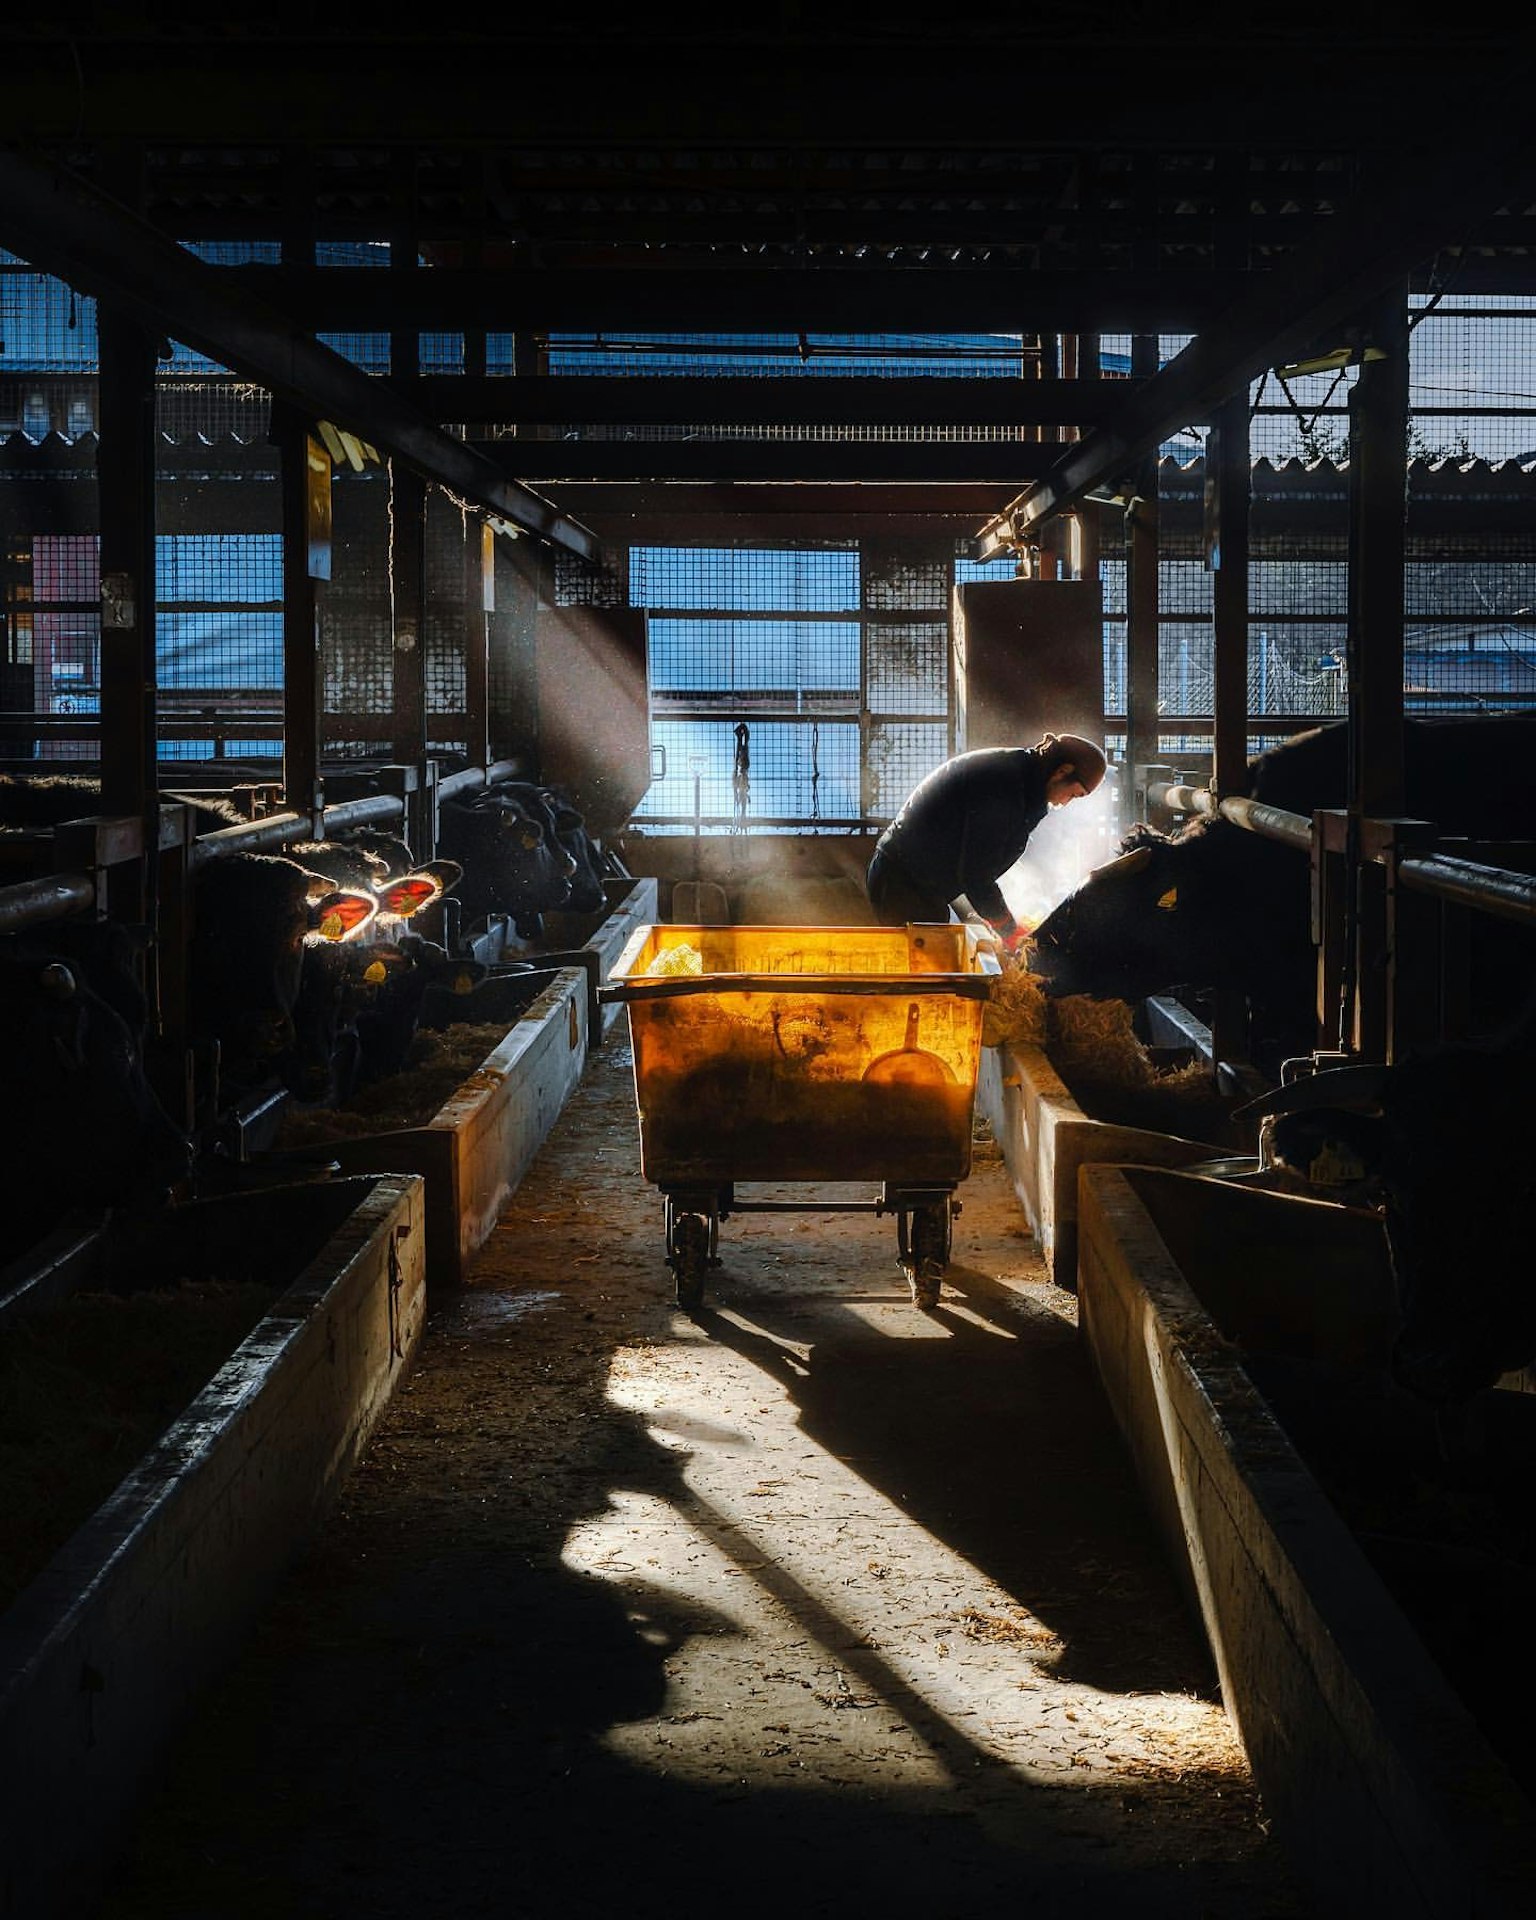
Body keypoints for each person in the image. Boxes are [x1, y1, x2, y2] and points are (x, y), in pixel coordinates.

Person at [865, 733, 1107, 949]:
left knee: (940, 958)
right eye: (1074, 794)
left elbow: (987, 857)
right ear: (1062, 771)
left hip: (922, 884)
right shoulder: (1004, 784)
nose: (1066, 802)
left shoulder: (1024, 782)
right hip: (902, 883)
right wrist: (1009, 930)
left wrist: (1002, 918)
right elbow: (976, 873)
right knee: (929, 971)